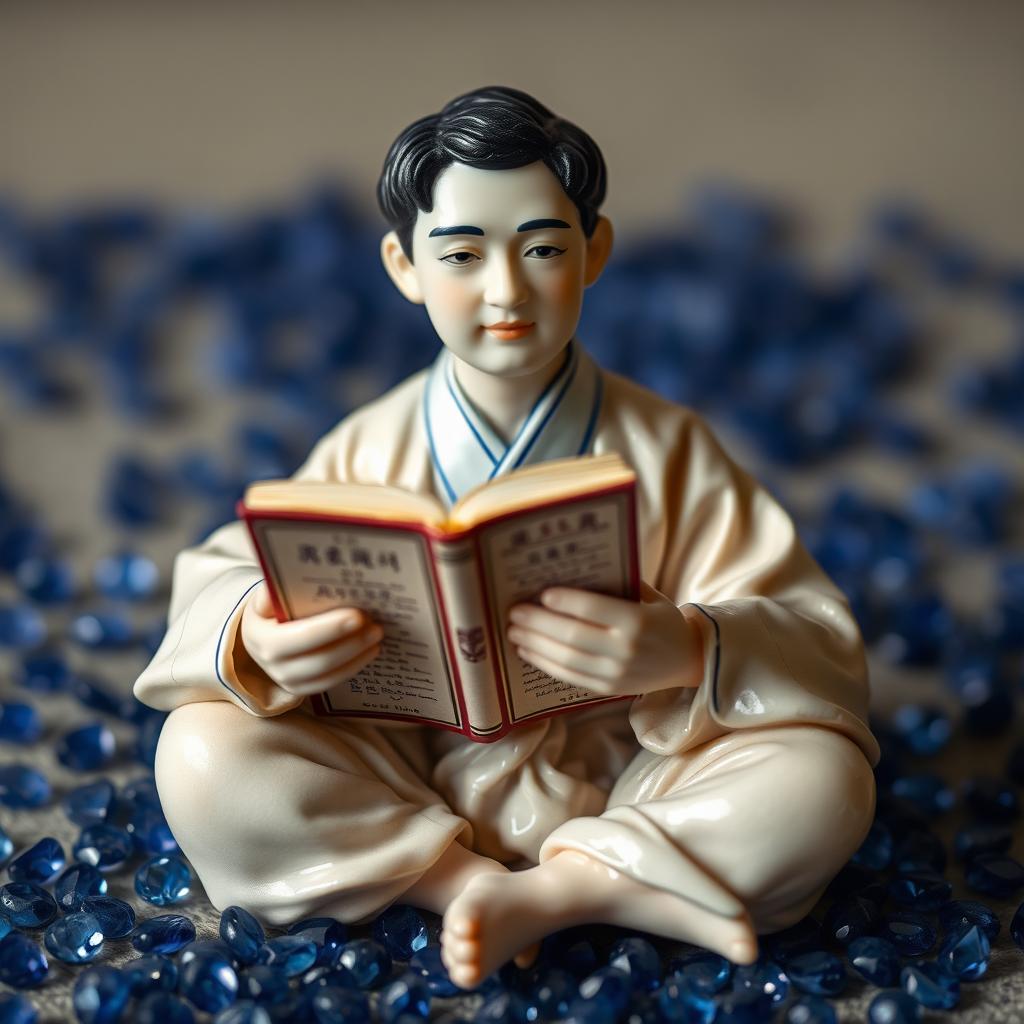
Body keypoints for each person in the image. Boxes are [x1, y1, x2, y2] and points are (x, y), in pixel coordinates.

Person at [136, 85, 878, 990]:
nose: (506, 291)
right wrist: (257, 634)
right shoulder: (371, 443)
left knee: (824, 781)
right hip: (403, 767)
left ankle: (566, 890)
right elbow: (226, 568)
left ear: (594, 252)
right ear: (404, 267)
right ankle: (457, 879)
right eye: (461, 254)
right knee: (204, 753)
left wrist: (686, 647)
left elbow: (811, 631)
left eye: (542, 250)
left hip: (629, 775)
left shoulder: (668, 448)